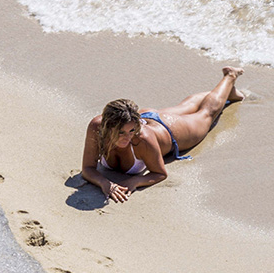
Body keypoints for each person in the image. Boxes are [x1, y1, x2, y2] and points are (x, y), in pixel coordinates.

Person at [81, 66, 244, 203]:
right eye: (121, 133)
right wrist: (105, 183)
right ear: (108, 127)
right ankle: (228, 92)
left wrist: (135, 181)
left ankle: (230, 76)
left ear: (136, 126)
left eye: (131, 131)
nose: (127, 138)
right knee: (187, 106)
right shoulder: (97, 127)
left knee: (207, 113)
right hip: (144, 118)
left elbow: (160, 173)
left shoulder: (142, 139)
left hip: (170, 130)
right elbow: (87, 168)